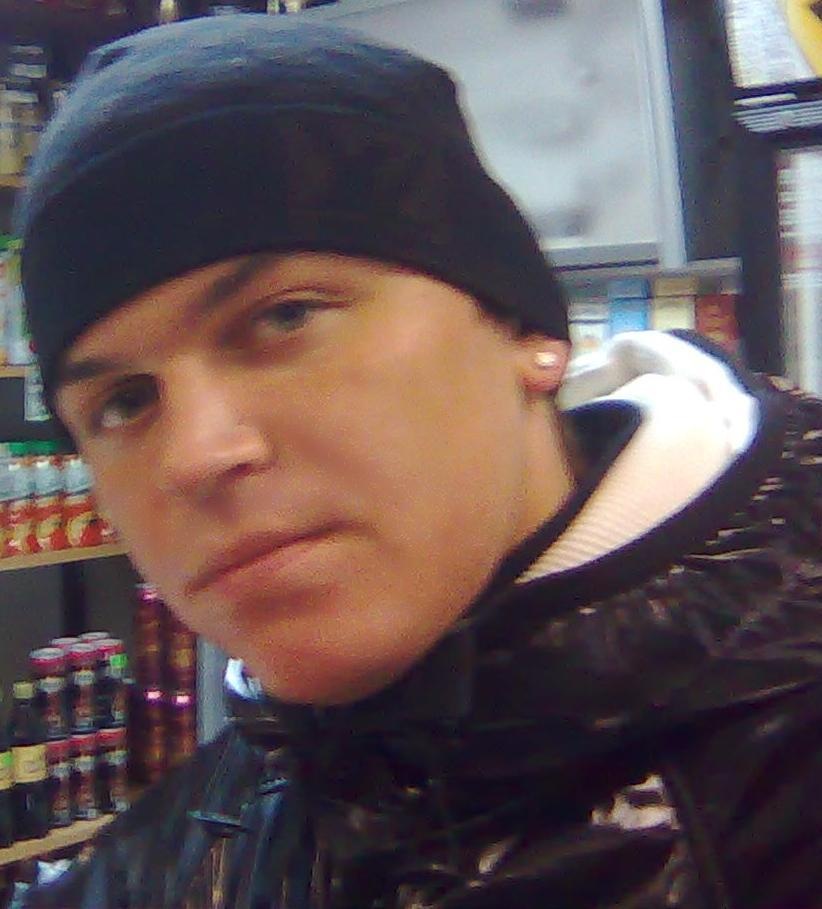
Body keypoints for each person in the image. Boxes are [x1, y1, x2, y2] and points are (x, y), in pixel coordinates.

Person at [11, 13, 822, 909]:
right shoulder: (189, 849)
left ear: (525, 328)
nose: (197, 454)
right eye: (125, 402)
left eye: (286, 317)